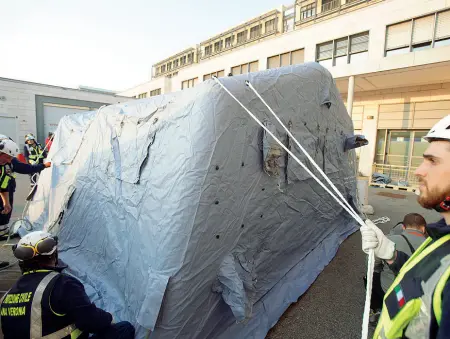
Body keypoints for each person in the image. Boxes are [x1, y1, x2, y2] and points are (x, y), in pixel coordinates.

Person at [362, 114, 450, 338]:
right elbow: (424, 282)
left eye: (433, 161)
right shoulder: (440, 239)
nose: (419, 171)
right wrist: (390, 254)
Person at [0, 231, 135, 339]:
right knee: (124, 329)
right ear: (54, 256)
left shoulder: (8, 296)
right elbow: (92, 322)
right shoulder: (63, 284)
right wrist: (108, 318)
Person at [368, 213, 428, 324]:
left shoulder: (389, 240)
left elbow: (374, 262)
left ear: (403, 227)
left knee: (372, 276)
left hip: (392, 288)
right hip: (422, 291)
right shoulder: (434, 245)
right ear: (423, 229)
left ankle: (376, 309)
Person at [0, 138, 50, 267]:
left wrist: (6, 202)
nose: (9, 161)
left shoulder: (5, 166)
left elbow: (3, 186)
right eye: (7, 157)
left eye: (11, 158)